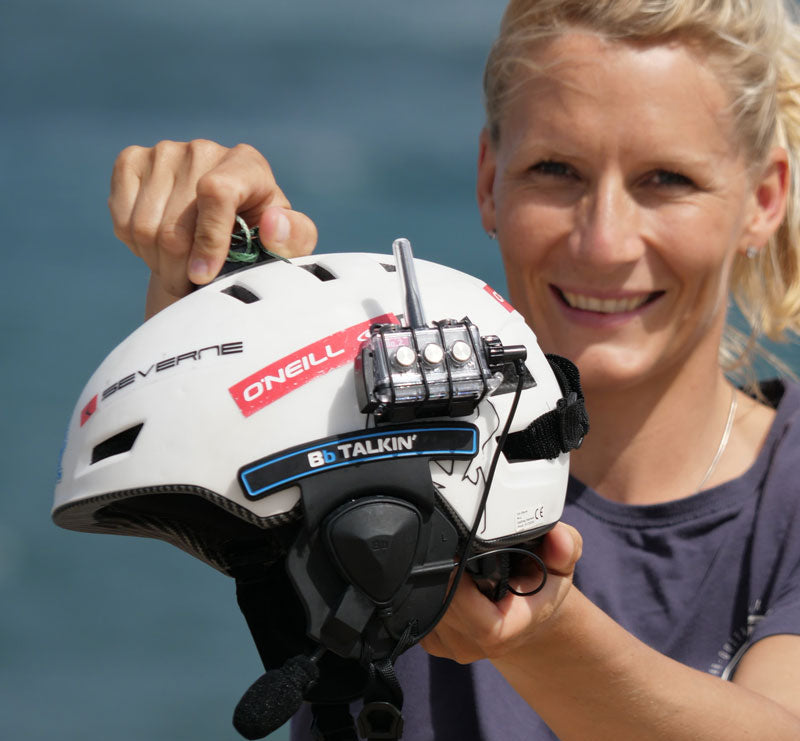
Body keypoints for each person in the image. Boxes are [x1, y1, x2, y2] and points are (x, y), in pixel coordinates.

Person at [107, 0, 800, 738]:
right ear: (488, 178)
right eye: (555, 170)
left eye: (666, 179)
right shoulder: (368, 430)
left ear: (764, 199)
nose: (603, 243)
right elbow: (221, 416)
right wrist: (212, 268)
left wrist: (539, 633)